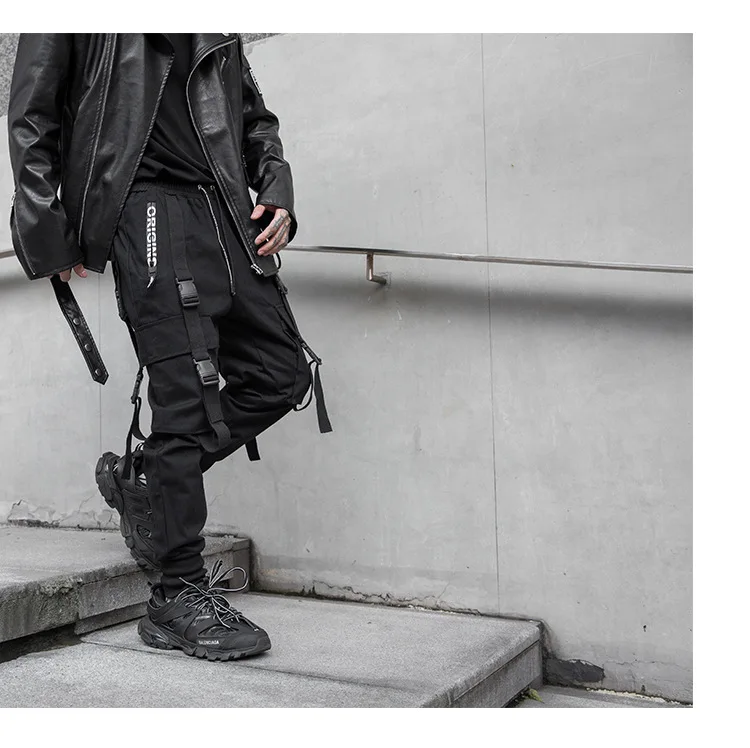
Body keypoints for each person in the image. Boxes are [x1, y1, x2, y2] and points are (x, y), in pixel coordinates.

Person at [7, 33, 331, 662]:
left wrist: (276, 188)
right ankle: (175, 594)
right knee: (184, 397)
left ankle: (148, 477)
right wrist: (45, 225)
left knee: (281, 373)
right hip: (143, 202)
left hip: (225, 207)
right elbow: (32, 115)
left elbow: (252, 116)